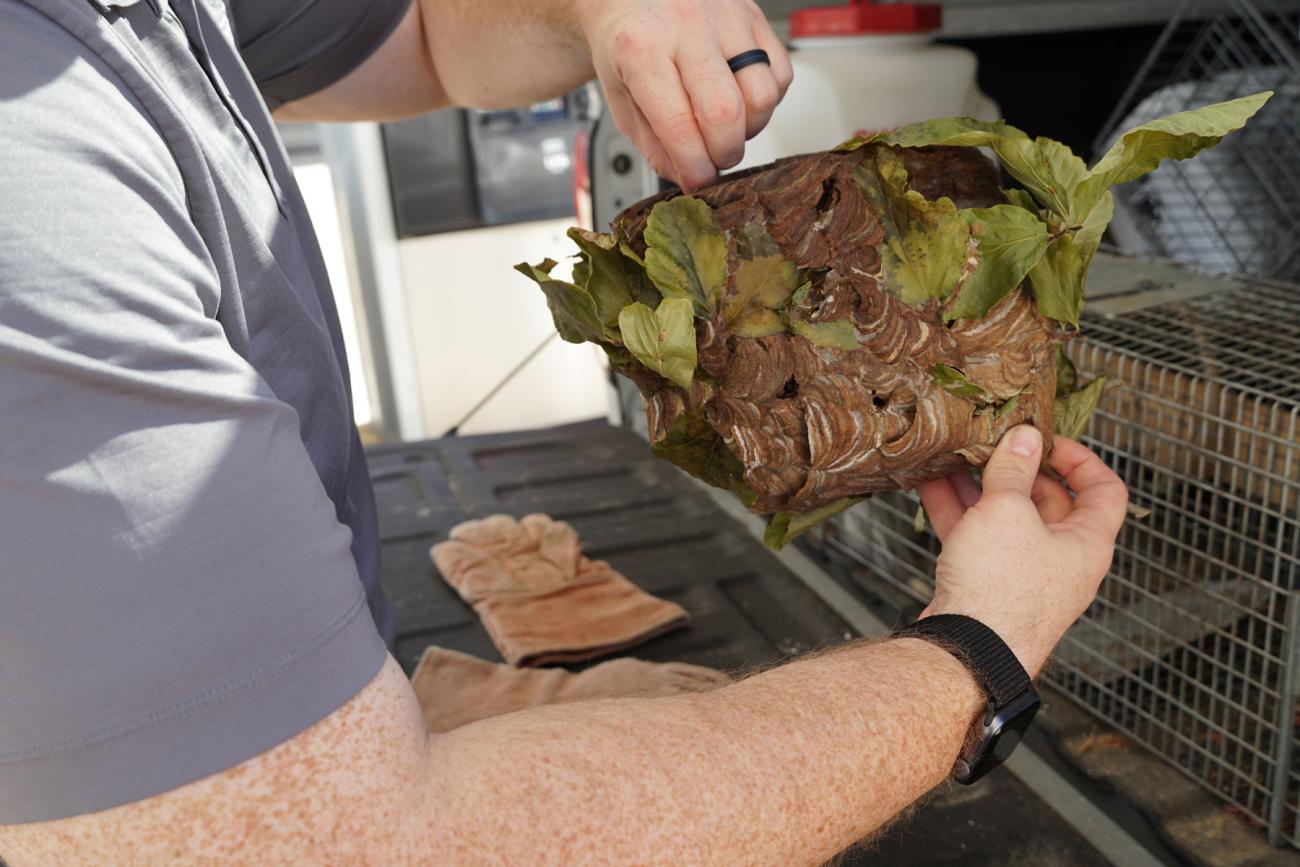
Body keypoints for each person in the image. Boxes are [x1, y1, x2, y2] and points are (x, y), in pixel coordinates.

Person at [0, 0, 1128, 863]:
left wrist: (600, 7)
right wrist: (976, 654)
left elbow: (426, 38)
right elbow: (344, 849)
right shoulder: (30, 177)